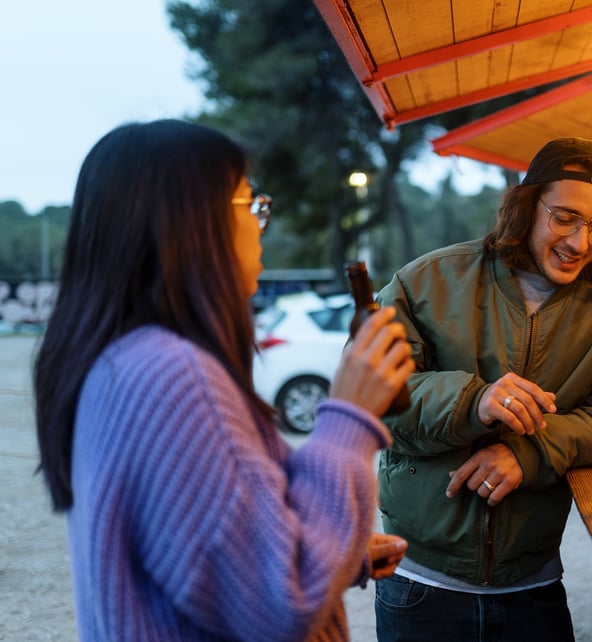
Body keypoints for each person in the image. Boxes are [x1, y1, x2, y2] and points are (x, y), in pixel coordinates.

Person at [32, 119, 415, 642]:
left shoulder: (125, 362)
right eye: (248, 204)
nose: (261, 224)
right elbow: (281, 601)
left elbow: (207, 551)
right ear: (189, 224)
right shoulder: (171, 375)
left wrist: (337, 549)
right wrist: (350, 417)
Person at [373, 137, 592, 641]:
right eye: (565, 217)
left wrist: (528, 452)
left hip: (533, 586)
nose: (579, 243)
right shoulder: (425, 281)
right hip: (418, 585)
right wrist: (474, 400)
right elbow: (376, 400)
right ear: (526, 206)